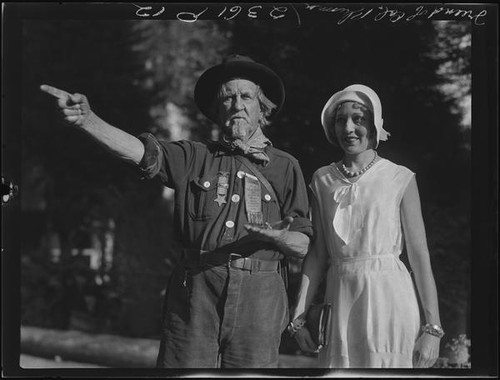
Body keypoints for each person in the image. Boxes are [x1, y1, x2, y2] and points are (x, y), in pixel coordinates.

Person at [40, 54, 313, 368]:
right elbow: (140, 152)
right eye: (228, 96)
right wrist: (88, 121)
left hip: (261, 297)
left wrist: (280, 237)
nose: (237, 103)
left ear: (262, 107)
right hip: (195, 293)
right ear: (216, 109)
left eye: (246, 96)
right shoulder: (194, 156)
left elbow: (303, 244)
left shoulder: (285, 166)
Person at [288, 84, 443, 368]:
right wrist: (298, 317)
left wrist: (433, 328)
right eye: (340, 119)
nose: (349, 128)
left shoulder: (399, 177)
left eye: (358, 119)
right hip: (340, 300)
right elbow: (318, 255)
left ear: (374, 124)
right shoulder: (321, 180)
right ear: (331, 128)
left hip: (390, 297)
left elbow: (419, 256)